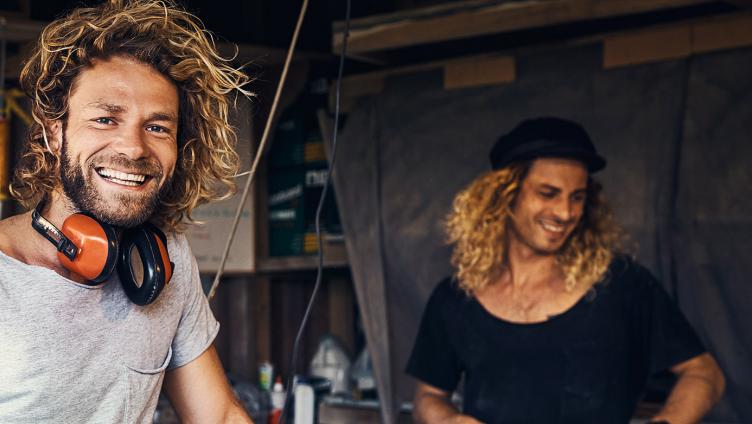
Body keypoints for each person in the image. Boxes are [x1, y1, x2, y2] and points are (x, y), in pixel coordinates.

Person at [0, 1, 254, 422]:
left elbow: (220, 415)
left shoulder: (165, 257)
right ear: (53, 133)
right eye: (104, 119)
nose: (134, 148)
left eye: (157, 127)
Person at [406, 117, 725, 424]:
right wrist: (448, 419)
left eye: (577, 198)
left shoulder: (621, 285)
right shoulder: (455, 297)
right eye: (548, 193)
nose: (564, 212)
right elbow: (428, 396)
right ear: (505, 195)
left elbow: (703, 373)